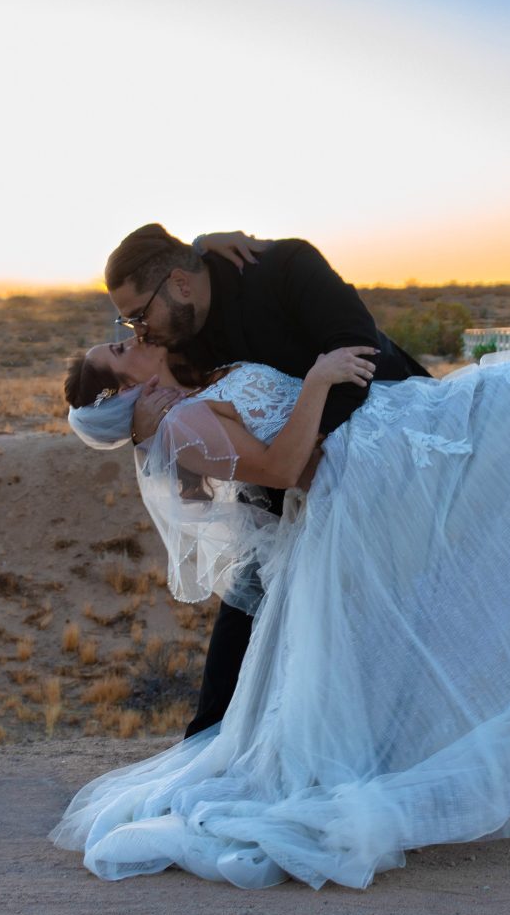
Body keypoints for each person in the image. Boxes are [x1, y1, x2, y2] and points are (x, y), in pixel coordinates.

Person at [51, 288, 510, 890]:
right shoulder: (179, 428)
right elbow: (284, 467)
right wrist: (319, 380)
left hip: (386, 440)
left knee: (508, 397)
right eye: (118, 349)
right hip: (368, 474)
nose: (130, 339)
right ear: (124, 389)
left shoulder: (188, 400)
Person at [91, 225, 431, 739]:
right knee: (252, 601)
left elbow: (359, 351)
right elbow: (165, 419)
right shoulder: (180, 332)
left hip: (393, 443)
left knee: (391, 607)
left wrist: (315, 448)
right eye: (129, 323)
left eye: (139, 315)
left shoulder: (285, 267)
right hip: (290, 484)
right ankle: (210, 739)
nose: (138, 331)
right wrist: (143, 431)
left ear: (180, 284)